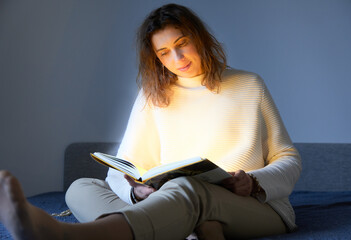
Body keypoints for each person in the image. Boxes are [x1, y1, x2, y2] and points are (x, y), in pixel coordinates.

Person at [0, 3, 301, 240]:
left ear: (200, 37)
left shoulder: (249, 84)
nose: (178, 57)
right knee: (80, 187)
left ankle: (70, 235)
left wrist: (254, 182)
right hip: (176, 201)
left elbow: (288, 158)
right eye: (164, 52)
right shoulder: (153, 95)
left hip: (251, 206)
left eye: (183, 43)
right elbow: (123, 168)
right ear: (156, 58)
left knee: (189, 190)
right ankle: (187, 229)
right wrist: (137, 192)